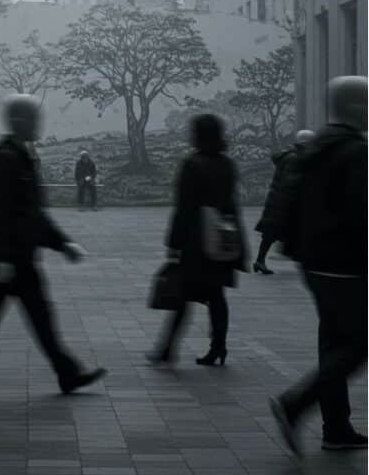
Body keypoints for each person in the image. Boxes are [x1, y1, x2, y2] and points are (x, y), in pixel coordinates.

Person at [0, 94, 107, 395]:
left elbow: (31, 213)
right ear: (20, 122)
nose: (39, 124)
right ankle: (65, 373)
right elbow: (0, 212)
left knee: (23, 315)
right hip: (8, 257)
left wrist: (62, 243)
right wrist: (1, 257)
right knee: (9, 315)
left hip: (16, 255)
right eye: (34, 118)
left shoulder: (19, 155)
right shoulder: (6, 159)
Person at [270, 76, 367, 455]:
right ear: (357, 108)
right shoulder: (356, 152)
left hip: (314, 263)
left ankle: (336, 428)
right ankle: (294, 404)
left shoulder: (317, 146)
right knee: (358, 345)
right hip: (346, 265)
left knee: (334, 344)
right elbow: (363, 214)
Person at [148, 114, 248, 367]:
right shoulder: (227, 164)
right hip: (222, 239)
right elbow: (232, 205)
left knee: (182, 296)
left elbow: (184, 208)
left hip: (196, 241)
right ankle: (218, 347)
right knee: (216, 296)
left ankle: (167, 349)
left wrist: (173, 242)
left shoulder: (191, 164)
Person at [252, 129, 315, 274]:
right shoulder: (293, 159)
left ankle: (260, 261)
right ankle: (260, 261)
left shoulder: (291, 156)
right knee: (274, 232)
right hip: (282, 202)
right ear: (305, 145)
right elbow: (290, 182)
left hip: (278, 201)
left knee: (271, 233)